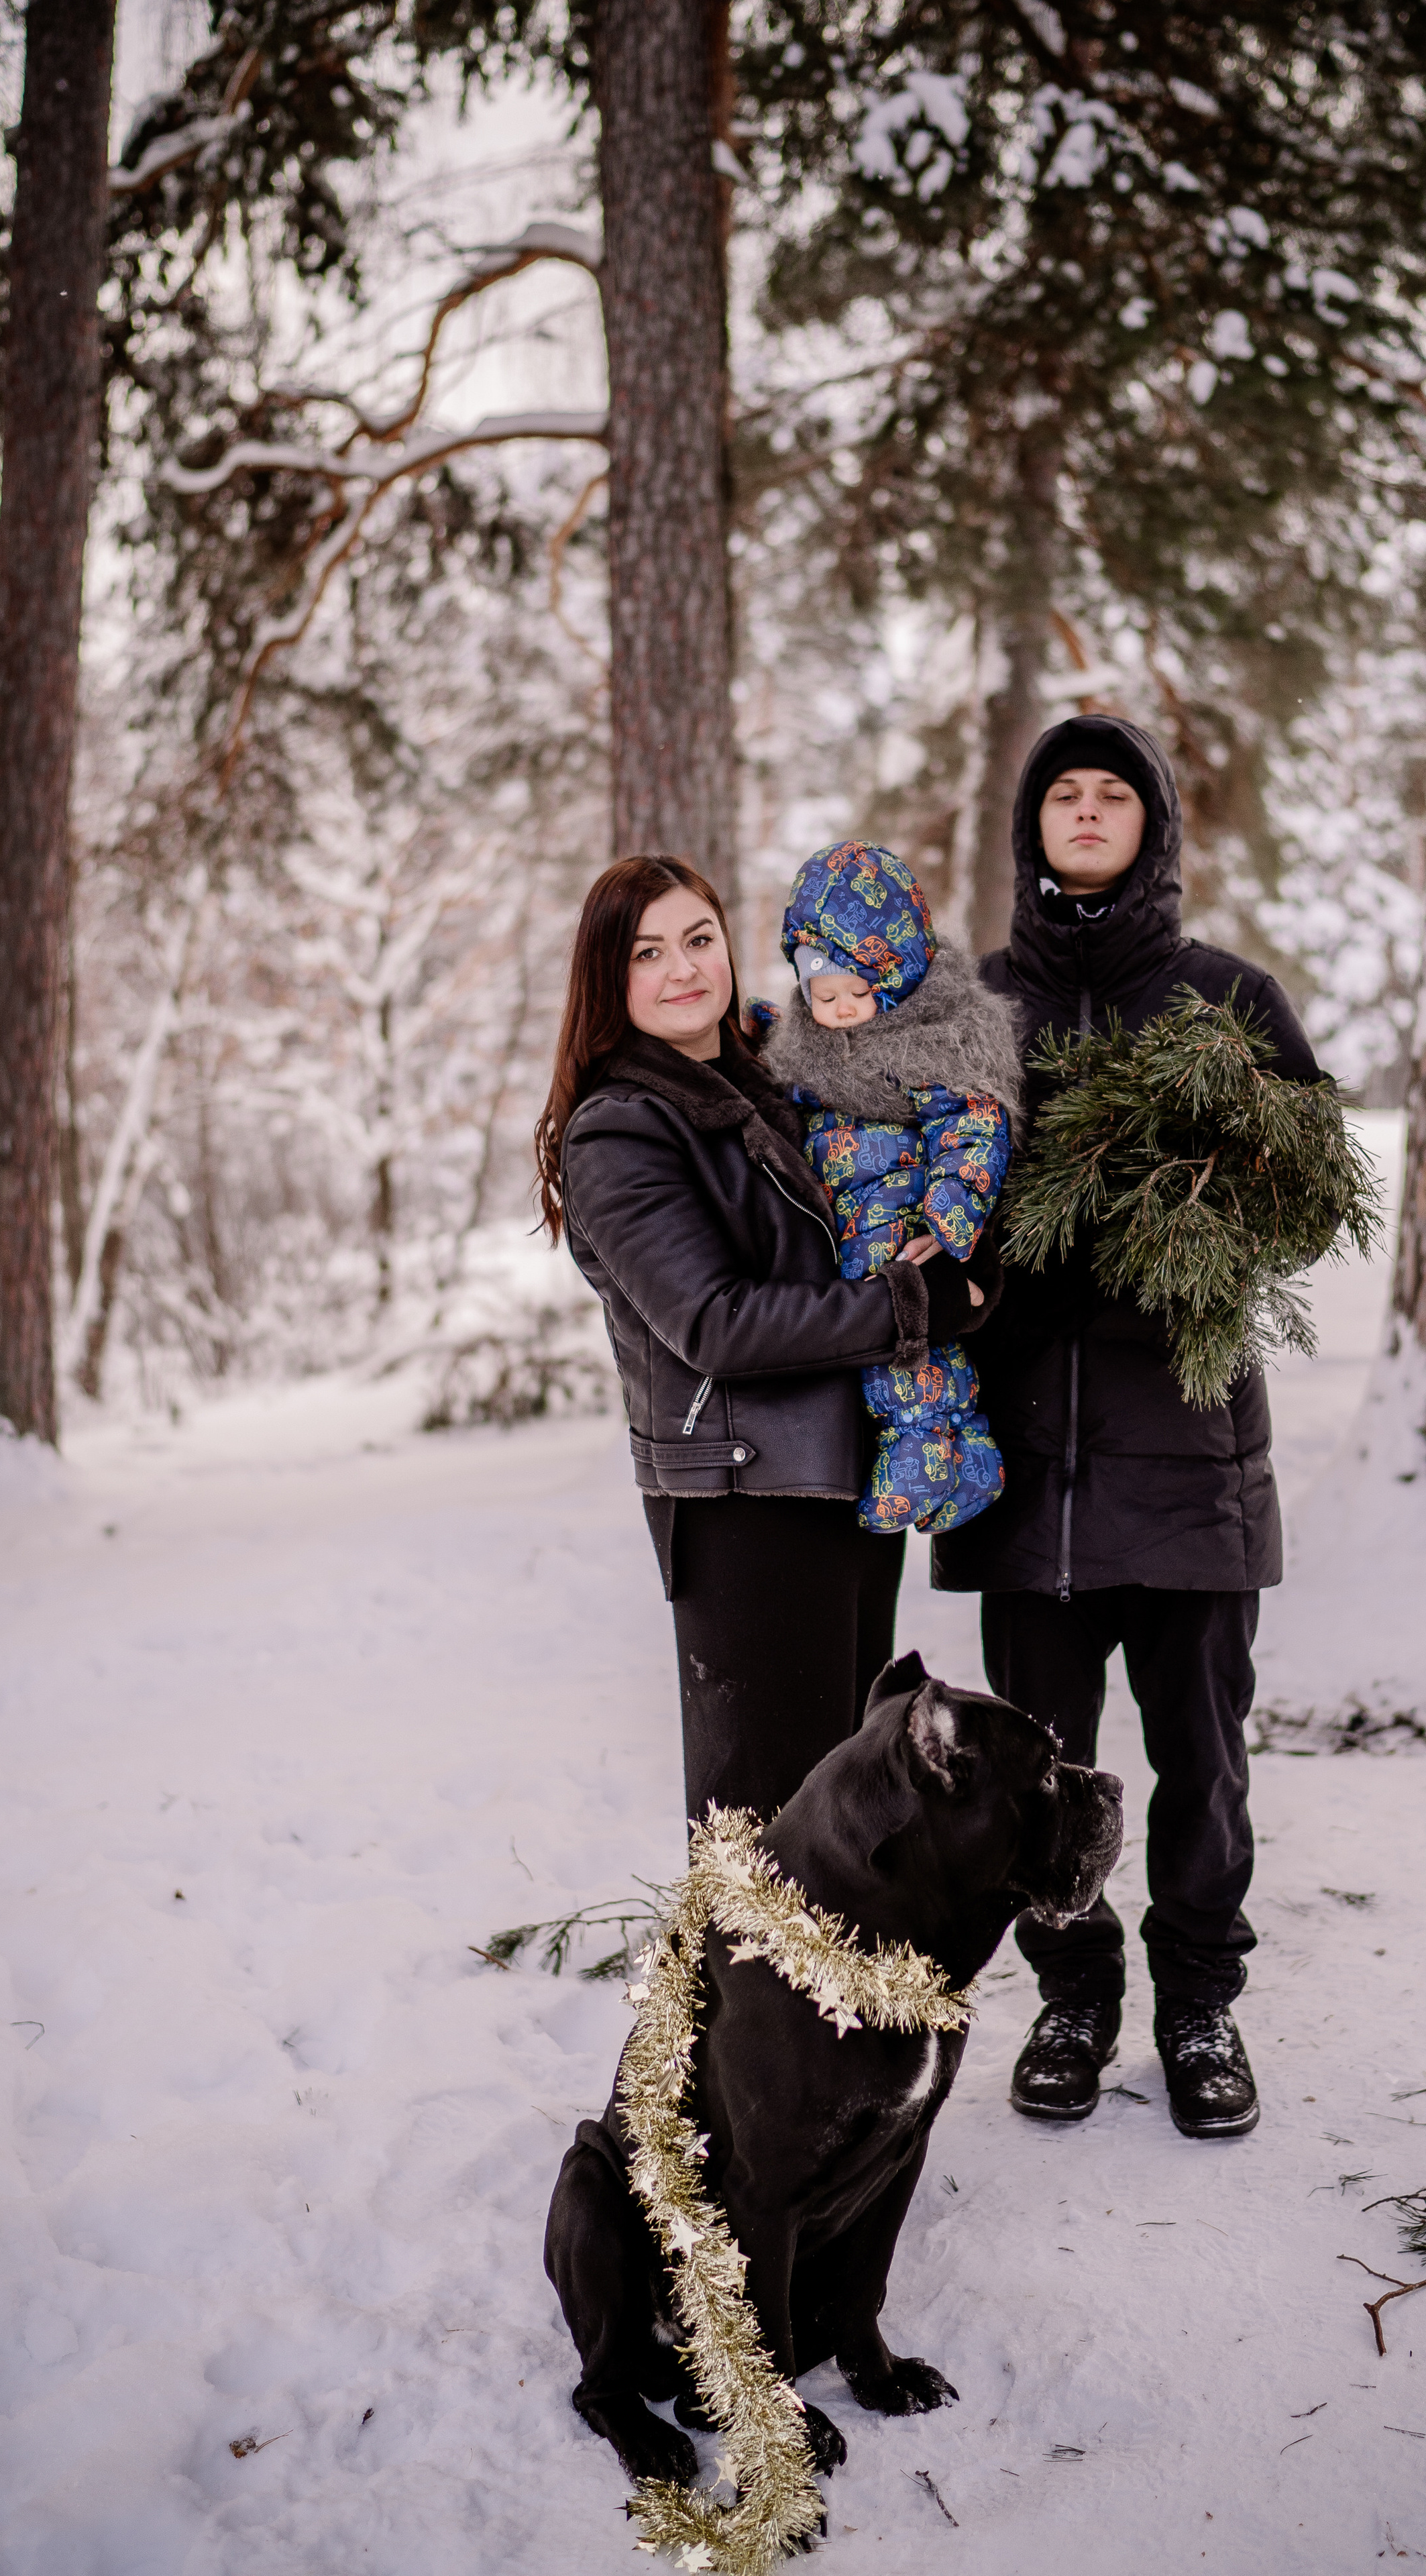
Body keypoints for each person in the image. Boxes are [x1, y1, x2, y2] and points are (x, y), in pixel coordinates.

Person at [932, 716, 1323, 2141]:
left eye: (1114, 796)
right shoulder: (970, 1005)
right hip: (1025, 1468)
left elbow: (1303, 1194)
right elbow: (914, 1196)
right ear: (1028, 828)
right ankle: (1071, 1993)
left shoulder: (1226, 1000)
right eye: (1062, 795)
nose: (1086, 812)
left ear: (1152, 829)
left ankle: (1199, 2005)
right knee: (1033, 1763)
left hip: (1194, 1464)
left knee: (1202, 1760)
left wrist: (1177, 1205)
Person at [536, 855, 996, 1828]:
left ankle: (845, 1991)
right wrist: (915, 1307)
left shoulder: (771, 1083)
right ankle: (734, 1987)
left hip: (838, 1483)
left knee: (845, 1812)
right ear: (609, 980)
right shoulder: (623, 1129)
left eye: (699, 940)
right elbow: (716, 1325)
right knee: (769, 1816)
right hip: (746, 1507)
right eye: (648, 952)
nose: (684, 970)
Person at [754, 839, 1019, 1534]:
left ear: (894, 981)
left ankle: (924, 1460)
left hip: (899, 1223)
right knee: (895, 1348)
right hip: (847, 1223)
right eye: (824, 994)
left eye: (856, 993)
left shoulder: (931, 1048)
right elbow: (796, 1086)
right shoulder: (811, 1047)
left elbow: (973, 1125)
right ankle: (963, 1461)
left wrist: (948, 1214)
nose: (839, 1010)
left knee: (907, 1348)